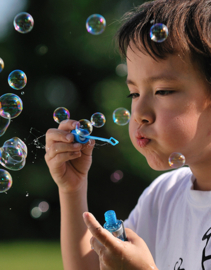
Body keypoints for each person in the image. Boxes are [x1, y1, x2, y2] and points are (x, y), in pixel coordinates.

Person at [45, 0, 211, 269]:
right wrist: (73, 190)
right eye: (133, 93)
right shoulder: (163, 197)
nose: (139, 112)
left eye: (163, 91)